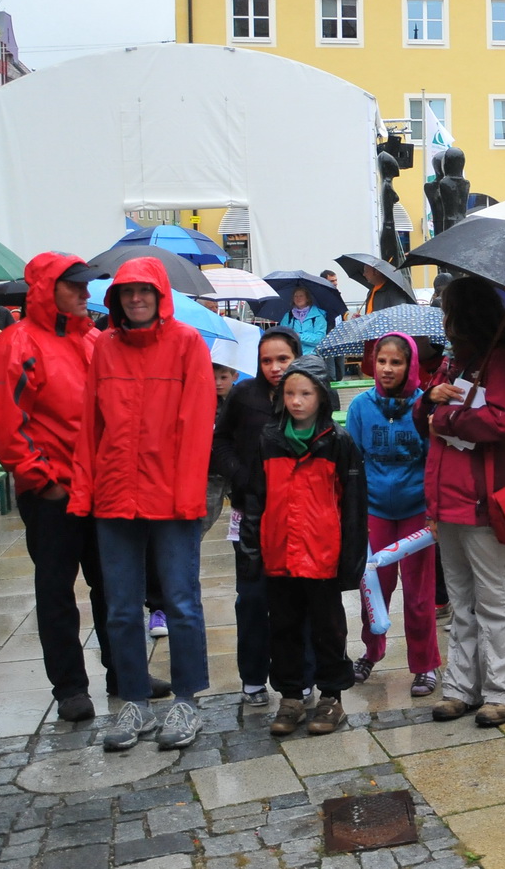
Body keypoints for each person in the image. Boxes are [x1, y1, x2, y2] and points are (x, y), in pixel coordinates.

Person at [0, 253, 150, 721]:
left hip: (102, 486)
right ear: (46, 288)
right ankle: (71, 687)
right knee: (57, 590)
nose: (83, 292)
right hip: (53, 490)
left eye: (85, 285)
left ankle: (125, 672)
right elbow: (1, 424)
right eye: (73, 285)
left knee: (114, 586)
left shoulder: (95, 340)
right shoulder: (16, 344)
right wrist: (42, 479)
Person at [72, 257, 215, 752]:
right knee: (119, 608)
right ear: (116, 299)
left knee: (180, 602)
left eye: (144, 291)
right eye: (127, 292)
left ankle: (188, 699)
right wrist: (84, 490)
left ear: (159, 296)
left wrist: (187, 495)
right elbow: (91, 426)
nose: (136, 299)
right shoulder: (104, 350)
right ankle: (134, 699)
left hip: (171, 497)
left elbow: (197, 425)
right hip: (114, 495)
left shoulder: (187, 345)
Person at [417, 277, 505, 724]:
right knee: (462, 600)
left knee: (495, 598)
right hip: (447, 500)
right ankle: (461, 687)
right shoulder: (456, 364)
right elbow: (424, 416)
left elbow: (502, 423)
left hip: (484, 501)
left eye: (450, 313)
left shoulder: (504, 361)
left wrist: (445, 415)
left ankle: (504, 690)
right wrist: (431, 402)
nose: (444, 322)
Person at [238, 356, 366, 735]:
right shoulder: (269, 439)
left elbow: (354, 506)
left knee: (328, 628)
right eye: (290, 393)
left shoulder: (338, 443)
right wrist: (251, 549)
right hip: (280, 553)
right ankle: (291, 696)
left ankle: (331, 696)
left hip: (323, 554)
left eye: (305, 393)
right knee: (284, 627)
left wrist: (352, 559)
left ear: (322, 396)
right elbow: (256, 499)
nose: (296, 401)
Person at [212, 327, 308, 706]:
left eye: (283, 359)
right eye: (267, 360)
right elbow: (220, 441)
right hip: (251, 513)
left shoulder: (309, 393)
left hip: (299, 514)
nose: (275, 367)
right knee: (251, 597)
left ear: (296, 357)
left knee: (299, 596)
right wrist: (241, 475)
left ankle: (300, 674)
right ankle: (252, 676)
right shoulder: (244, 395)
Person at [349, 333, 439, 697]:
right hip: (375, 512)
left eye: (396, 363)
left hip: (417, 513)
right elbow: (353, 462)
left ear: (410, 366)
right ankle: (371, 651)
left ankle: (425, 665)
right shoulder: (360, 407)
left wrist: (434, 511)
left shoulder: (424, 407)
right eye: (382, 361)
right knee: (373, 587)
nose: (387, 369)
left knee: (419, 595)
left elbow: (434, 462)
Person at [279, 285, 329, 353]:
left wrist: (298, 336)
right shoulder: (288, 316)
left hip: (312, 356)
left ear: (307, 298)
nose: (298, 298)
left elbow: (320, 339)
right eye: (295, 296)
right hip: (293, 355)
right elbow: (282, 335)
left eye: (301, 296)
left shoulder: (318, 316)